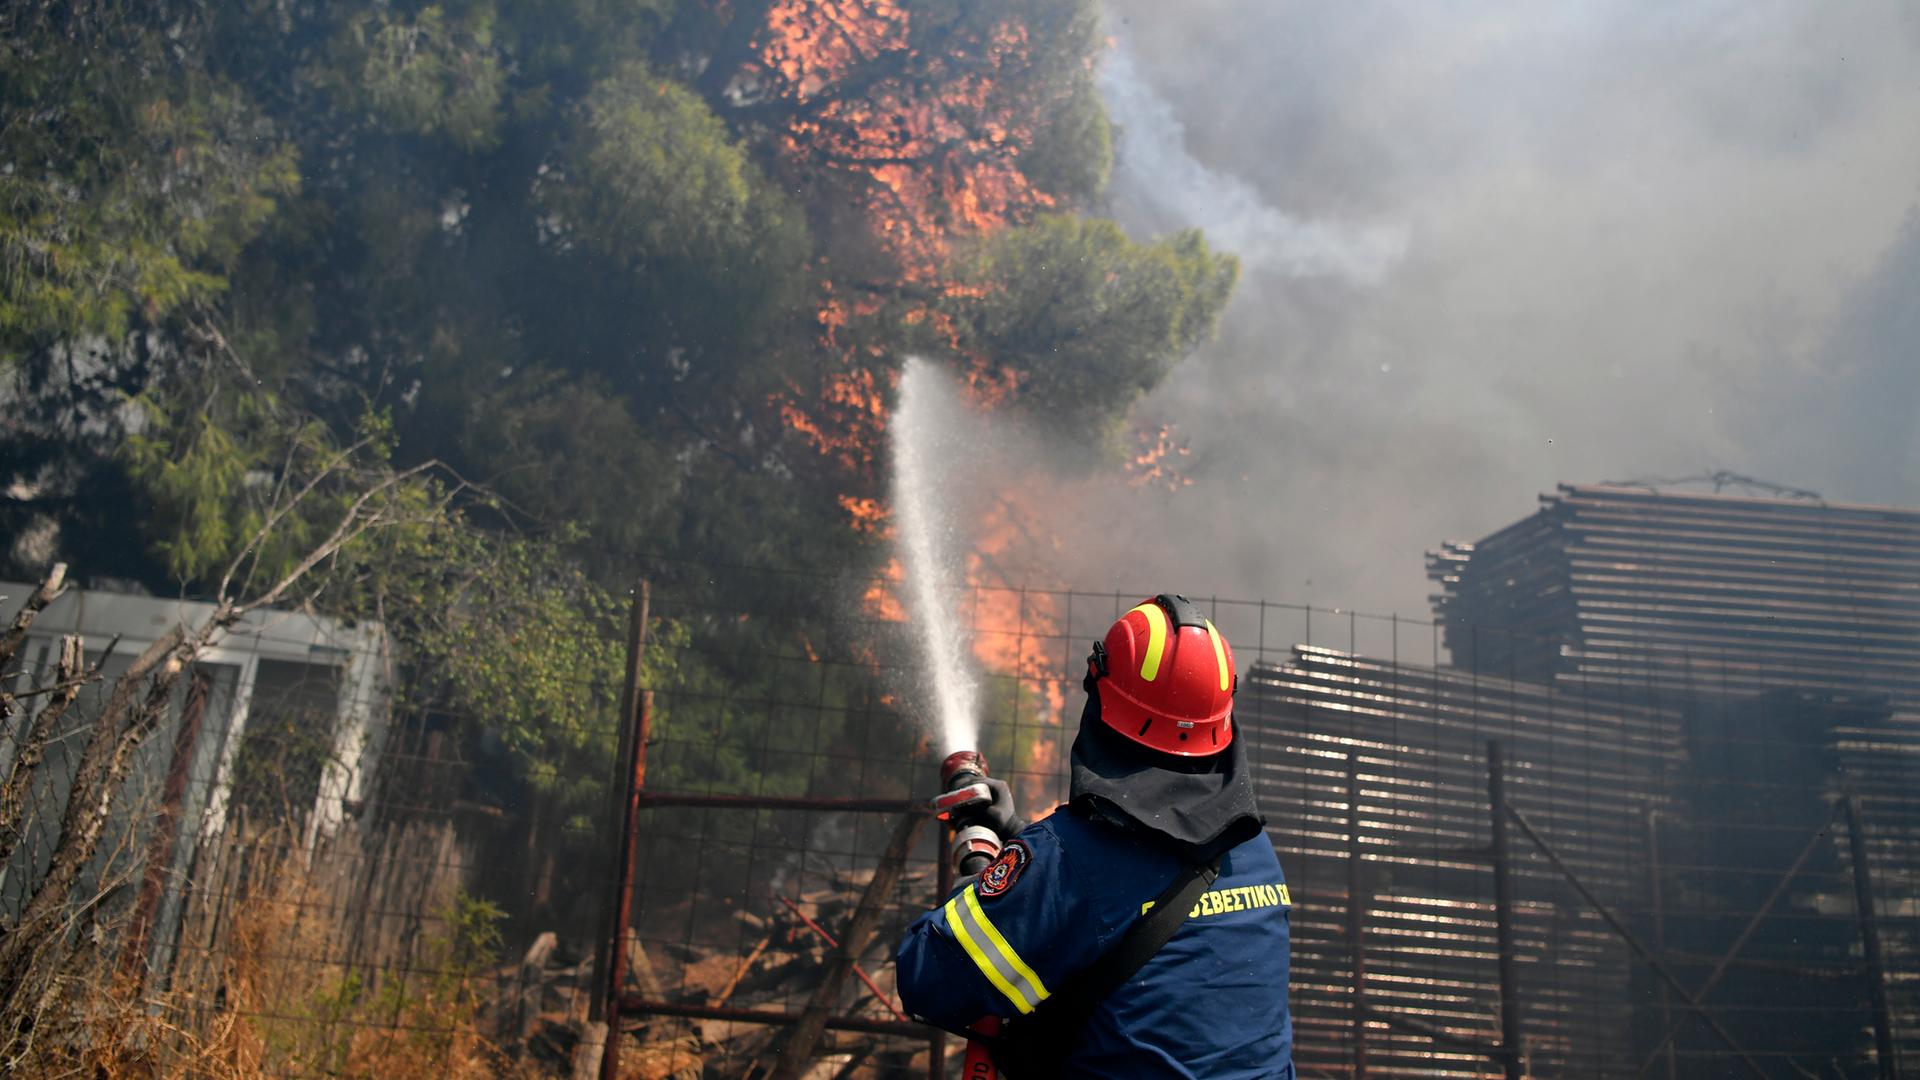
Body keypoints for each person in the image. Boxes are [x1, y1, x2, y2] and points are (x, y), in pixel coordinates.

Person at [896, 594, 1294, 1079]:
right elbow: (1126, 898)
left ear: (1102, 701)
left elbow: (926, 979)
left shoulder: (1072, 861)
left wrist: (987, 892)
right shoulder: (1251, 848)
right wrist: (1022, 838)